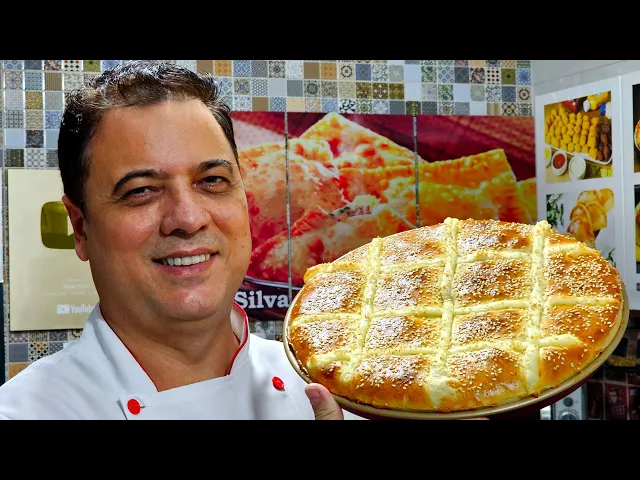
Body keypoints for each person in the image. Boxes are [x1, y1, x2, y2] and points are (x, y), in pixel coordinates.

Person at [0, 60, 352, 420]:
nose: (188, 218)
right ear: (80, 228)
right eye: (141, 190)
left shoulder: (342, 393)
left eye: (212, 180)